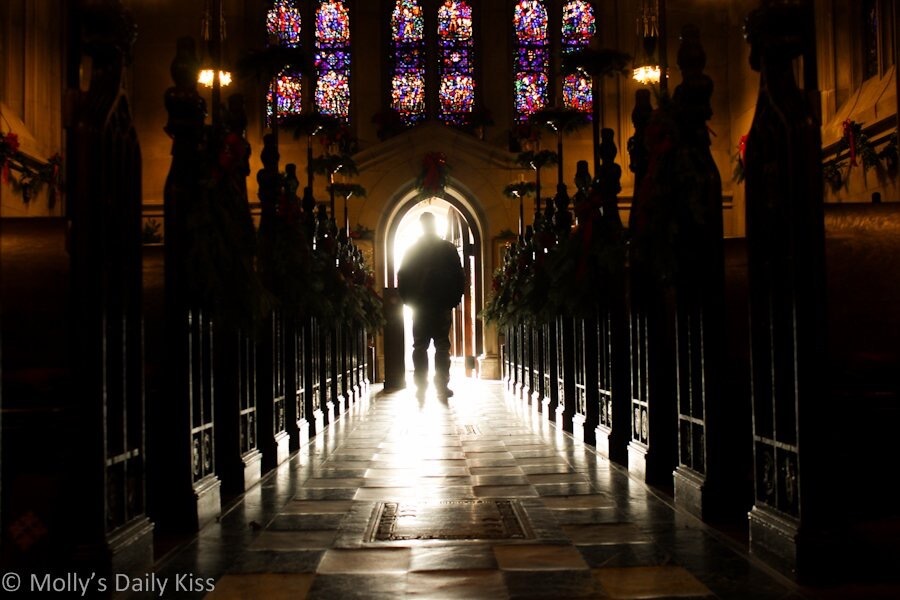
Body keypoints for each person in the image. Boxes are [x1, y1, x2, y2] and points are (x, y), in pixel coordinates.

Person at [398, 212, 466, 400]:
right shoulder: (447, 249)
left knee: (420, 346)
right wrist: (453, 299)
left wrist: (409, 300)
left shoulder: (413, 250)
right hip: (441, 305)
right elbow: (459, 277)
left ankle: (421, 385)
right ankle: (441, 385)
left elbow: (402, 277)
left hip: (421, 306)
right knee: (442, 346)